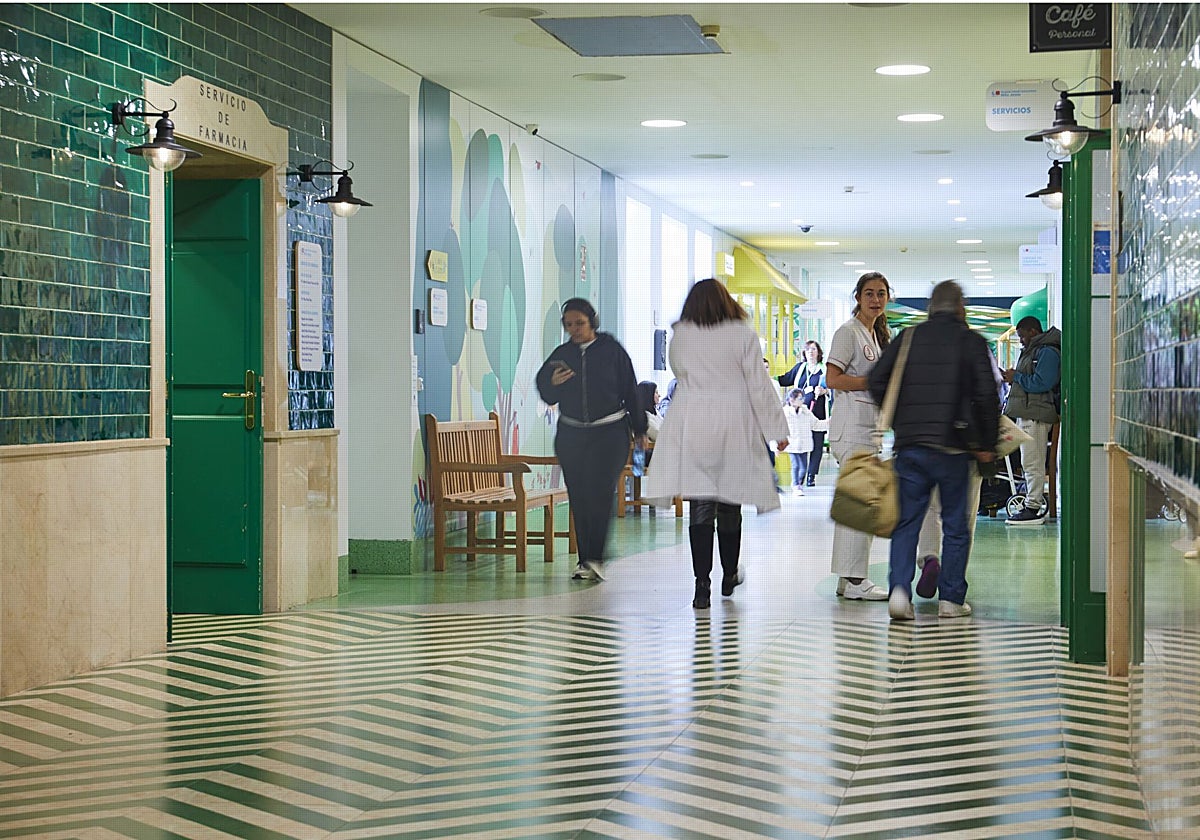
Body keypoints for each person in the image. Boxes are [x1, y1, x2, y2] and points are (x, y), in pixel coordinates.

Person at [644, 279, 789, 609]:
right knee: (730, 503)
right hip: (731, 425)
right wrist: (777, 428)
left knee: (701, 505)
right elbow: (759, 384)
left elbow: (680, 374)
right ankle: (728, 574)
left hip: (693, 423)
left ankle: (701, 585)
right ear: (727, 302)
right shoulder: (742, 334)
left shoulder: (680, 338)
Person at [868, 280, 999, 621]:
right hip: (954, 447)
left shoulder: (908, 338)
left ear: (930, 308)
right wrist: (986, 445)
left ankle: (900, 592)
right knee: (955, 524)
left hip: (910, 446)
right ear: (961, 307)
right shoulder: (971, 342)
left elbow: (875, 380)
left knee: (907, 521)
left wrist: (899, 419)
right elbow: (987, 396)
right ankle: (951, 599)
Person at [536, 298, 647, 582]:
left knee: (599, 493)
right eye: (569, 325)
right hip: (572, 435)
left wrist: (639, 430)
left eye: (580, 324)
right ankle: (585, 559)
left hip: (609, 434)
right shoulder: (562, 355)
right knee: (580, 496)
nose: (574, 330)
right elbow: (546, 392)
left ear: (592, 322)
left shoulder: (612, 351)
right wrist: (553, 384)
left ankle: (595, 557)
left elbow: (630, 389)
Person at [913, 346, 1004, 598]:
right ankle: (951, 593)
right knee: (963, 517)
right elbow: (993, 391)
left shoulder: (920, 346)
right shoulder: (976, 348)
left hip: (928, 440)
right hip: (968, 442)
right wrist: (987, 443)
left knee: (929, 507)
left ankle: (929, 558)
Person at [825, 271, 893, 601]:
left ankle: (846, 578)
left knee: (858, 504)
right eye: (869, 293)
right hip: (851, 429)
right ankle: (855, 580)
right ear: (858, 297)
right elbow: (833, 379)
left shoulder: (877, 335)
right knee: (860, 503)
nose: (876, 299)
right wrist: (872, 384)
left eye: (881, 293)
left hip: (869, 430)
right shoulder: (847, 332)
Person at [1002, 316, 1062, 525]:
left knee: (1032, 462)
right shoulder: (1036, 351)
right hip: (1029, 412)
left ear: (1033, 332)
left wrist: (1016, 377)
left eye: (1022, 336)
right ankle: (1032, 502)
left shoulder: (1047, 352)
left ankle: (1033, 506)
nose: (1021, 341)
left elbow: (1041, 382)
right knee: (1030, 461)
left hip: (1036, 414)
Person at [782, 388, 815, 494]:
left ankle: (799, 484)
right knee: (795, 465)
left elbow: (815, 424)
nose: (802, 400)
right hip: (792, 444)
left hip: (804, 444)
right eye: (800, 398)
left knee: (804, 467)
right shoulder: (785, 413)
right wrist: (775, 445)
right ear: (792, 400)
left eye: (802, 398)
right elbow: (778, 428)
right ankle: (795, 485)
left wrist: (828, 423)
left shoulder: (806, 411)